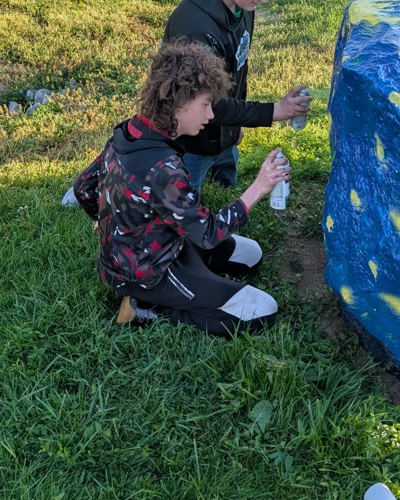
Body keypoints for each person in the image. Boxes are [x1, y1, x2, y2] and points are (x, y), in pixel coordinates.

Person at [73, 40, 290, 336]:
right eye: (205, 105)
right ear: (179, 102)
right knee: (262, 311)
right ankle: (147, 308)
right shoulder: (162, 168)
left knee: (251, 254)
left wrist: (105, 225)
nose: (210, 116)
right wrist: (259, 187)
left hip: (161, 247)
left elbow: (83, 187)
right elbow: (208, 233)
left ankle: (191, 280)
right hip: (149, 273)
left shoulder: (130, 131)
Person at [162, 0, 311, 191]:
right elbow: (210, 106)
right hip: (191, 141)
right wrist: (276, 110)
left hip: (223, 134)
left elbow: (238, 67)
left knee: (224, 187)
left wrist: (234, 126)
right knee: (185, 204)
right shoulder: (195, 30)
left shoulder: (243, 4)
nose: (263, 0)